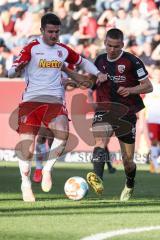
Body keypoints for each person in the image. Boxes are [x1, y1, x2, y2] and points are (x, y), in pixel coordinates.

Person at [8, 13, 107, 202]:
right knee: (27, 149)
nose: (54, 35)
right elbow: (11, 71)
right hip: (31, 102)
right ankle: (25, 183)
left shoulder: (62, 49)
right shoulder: (32, 48)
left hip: (54, 101)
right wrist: (16, 70)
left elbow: (83, 61)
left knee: (62, 133)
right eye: (50, 32)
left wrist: (98, 73)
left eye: (57, 32)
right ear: (42, 31)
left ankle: (47, 169)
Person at [86, 28, 153, 201]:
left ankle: (130, 182)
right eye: (109, 45)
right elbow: (90, 81)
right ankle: (97, 178)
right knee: (100, 139)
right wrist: (77, 81)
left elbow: (148, 86)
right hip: (105, 108)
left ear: (122, 44)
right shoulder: (99, 59)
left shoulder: (132, 61)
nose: (112, 49)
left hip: (127, 111)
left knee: (128, 161)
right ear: (105, 43)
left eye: (116, 46)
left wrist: (130, 90)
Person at [87, 88, 116, 174]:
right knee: (102, 142)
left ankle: (99, 163)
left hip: (114, 112)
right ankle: (100, 170)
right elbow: (89, 92)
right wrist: (94, 105)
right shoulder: (97, 78)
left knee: (104, 142)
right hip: (102, 113)